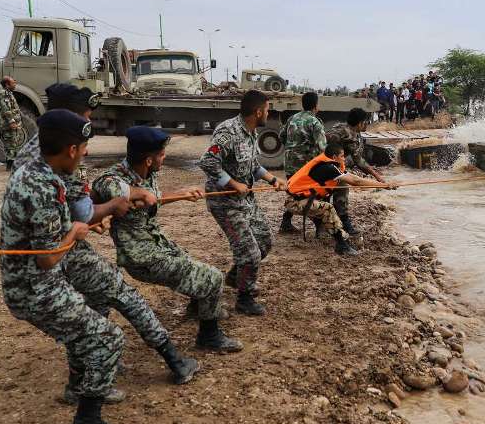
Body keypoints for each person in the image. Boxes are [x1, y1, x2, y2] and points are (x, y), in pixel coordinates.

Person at [12, 83, 199, 398]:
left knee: (94, 303)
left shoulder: (31, 153)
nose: (88, 123)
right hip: (57, 253)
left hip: (53, 247)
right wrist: (110, 208)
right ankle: (174, 361)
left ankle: (87, 373)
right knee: (122, 293)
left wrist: (83, 220)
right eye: (85, 116)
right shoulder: (58, 160)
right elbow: (82, 213)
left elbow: (63, 212)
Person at [0, 110, 138, 424]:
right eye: (84, 148)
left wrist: (77, 226)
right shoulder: (42, 187)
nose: (85, 154)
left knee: (84, 331)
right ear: (72, 150)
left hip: (38, 282)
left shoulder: (36, 171)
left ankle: (78, 387)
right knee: (108, 338)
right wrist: (74, 233)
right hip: (35, 289)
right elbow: (47, 258)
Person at [92, 127, 243, 353]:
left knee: (190, 262)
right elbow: (102, 185)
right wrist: (138, 193)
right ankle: (209, 337)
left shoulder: (148, 172)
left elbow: (155, 198)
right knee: (213, 278)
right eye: (161, 155)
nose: (164, 158)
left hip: (157, 243)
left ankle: (198, 306)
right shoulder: (113, 178)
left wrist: (182, 193)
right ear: (148, 160)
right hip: (142, 257)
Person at [199, 90, 286, 316]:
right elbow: (207, 162)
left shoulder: (251, 132)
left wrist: (273, 179)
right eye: (267, 110)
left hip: (245, 200)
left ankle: (236, 277)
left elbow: (253, 166)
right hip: (224, 202)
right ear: (258, 112)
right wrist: (232, 183)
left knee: (264, 242)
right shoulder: (228, 132)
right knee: (250, 253)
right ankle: (244, 299)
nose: (268, 114)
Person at [285, 143, 396, 255]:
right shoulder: (328, 167)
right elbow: (356, 182)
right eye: (342, 156)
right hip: (294, 202)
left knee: (326, 208)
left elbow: (354, 178)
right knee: (328, 209)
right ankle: (342, 245)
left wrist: (382, 184)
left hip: (302, 199)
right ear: (334, 157)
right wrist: (384, 186)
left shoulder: (329, 164)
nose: (344, 159)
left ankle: (332, 234)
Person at [325, 108, 390, 235]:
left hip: (322, 164)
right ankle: (345, 223)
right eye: (366, 122)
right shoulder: (350, 135)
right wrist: (377, 176)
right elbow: (359, 161)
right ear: (360, 123)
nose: (367, 124)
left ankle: (321, 225)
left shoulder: (340, 127)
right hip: (330, 166)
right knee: (342, 190)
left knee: (324, 194)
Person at [278, 91, 327, 233]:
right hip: (306, 167)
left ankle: (286, 223)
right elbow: (323, 147)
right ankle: (319, 225)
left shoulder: (292, 118)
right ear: (315, 106)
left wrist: (293, 149)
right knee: (314, 194)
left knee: (293, 193)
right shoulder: (314, 122)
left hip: (290, 165)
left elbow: (281, 137)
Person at [0, 76, 26, 171]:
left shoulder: (9, 93)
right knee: (11, 144)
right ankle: (10, 166)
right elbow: (6, 109)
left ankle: (12, 165)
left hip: (13, 124)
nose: (15, 83)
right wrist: (12, 121)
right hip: (8, 125)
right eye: (13, 82)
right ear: (7, 84)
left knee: (14, 143)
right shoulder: (3, 93)